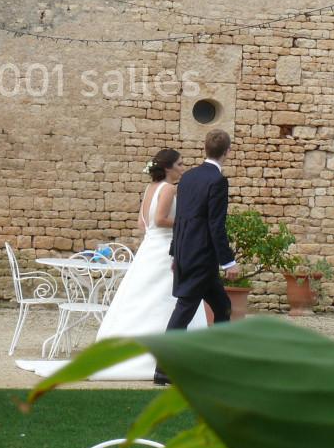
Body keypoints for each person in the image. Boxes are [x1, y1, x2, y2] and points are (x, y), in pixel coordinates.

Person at [15, 147, 207, 381]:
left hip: (149, 249)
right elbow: (160, 220)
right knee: (170, 300)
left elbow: (142, 223)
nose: (182, 169)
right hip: (164, 252)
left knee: (144, 299)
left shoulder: (150, 188)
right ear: (167, 168)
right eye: (179, 165)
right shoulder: (167, 188)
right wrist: (187, 221)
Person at [155, 129, 237, 386]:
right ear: (227, 152)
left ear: (205, 148)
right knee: (185, 310)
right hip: (203, 257)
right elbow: (216, 225)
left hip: (189, 254)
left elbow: (182, 220)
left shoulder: (188, 177)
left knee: (222, 305)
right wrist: (229, 261)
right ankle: (163, 370)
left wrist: (175, 253)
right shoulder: (217, 181)